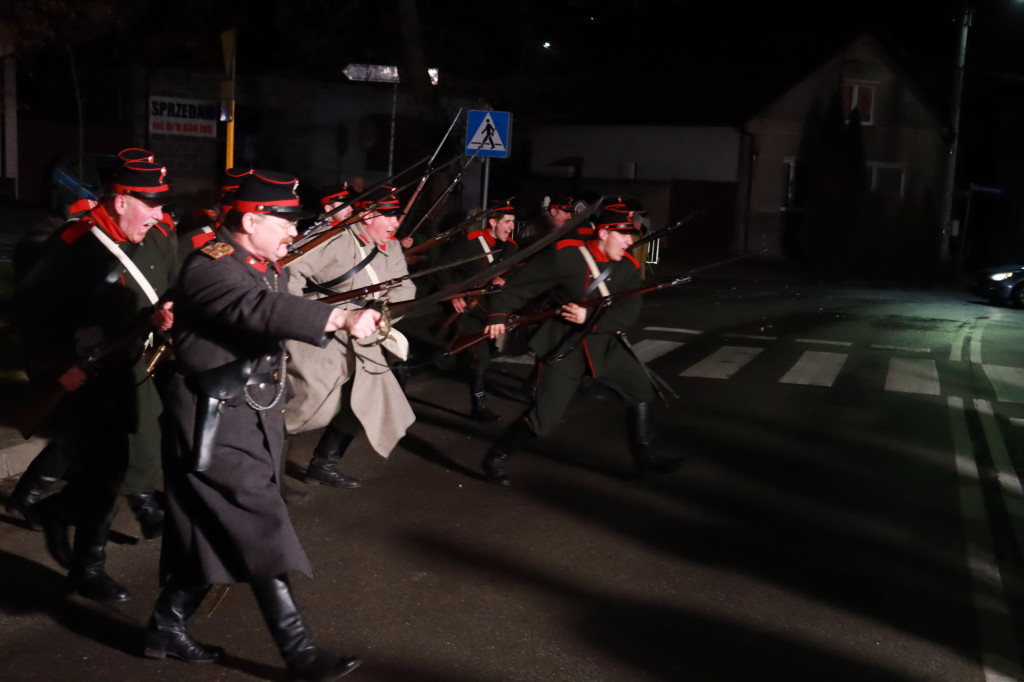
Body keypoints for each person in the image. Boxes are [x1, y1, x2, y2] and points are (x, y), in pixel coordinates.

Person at [143, 170, 376, 679]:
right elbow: (253, 307)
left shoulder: (261, 263)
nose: (294, 232)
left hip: (251, 413)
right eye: (286, 221)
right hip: (214, 420)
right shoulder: (211, 266)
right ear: (251, 220)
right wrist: (334, 319)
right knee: (259, 520)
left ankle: (166, 624)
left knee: (211, 527)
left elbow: (273, 305)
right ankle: (299, 654)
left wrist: (347, 310)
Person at [15, 159, 176, 602]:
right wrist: (55, 365)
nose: (160, 216)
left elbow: (162, 292)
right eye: (151, 205)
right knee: (106, 475)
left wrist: (162, 316)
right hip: (84, 380)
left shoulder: (155, 238)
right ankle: (87, 566)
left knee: (118, 471)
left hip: (133, 373)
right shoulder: (72, 245)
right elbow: (33, 315)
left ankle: (57, 512)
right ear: (121, 200)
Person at [478, 207, 682, 485]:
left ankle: (645, 456)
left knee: (641, 389)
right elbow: (519, 288)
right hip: (563, 346)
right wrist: (498, 314)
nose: (629, 242)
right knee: (545, 417)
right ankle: (496, 457)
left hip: (605, 345)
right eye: (623, 235)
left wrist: (590, 317)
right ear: (604, 232)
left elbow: (629, 312)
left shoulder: (628, 266)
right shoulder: (566, 256)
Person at [284, 185, 416, 489]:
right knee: (308, 409)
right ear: (367, 215)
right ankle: (266, 467)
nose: (396, 224)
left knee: (367, 402)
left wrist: (381, 315)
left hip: (365, 336)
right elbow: (287, 272)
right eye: (390, 216)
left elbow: (405, 289)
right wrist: (301, 317)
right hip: (323, 334)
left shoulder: (391, 246)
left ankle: (324, 463)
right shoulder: (334, 239)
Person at [437, 199, 519, 421]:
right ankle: (478, 407)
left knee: (466, 352)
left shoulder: (511, 248)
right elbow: (442, 268)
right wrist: (452, 294)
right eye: (508, 222)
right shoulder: (471, 243)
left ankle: (411, 369)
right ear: (493, 221)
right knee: (480, 356)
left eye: (513, 222)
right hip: (465, 309)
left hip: (489, 311)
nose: (512, 227)